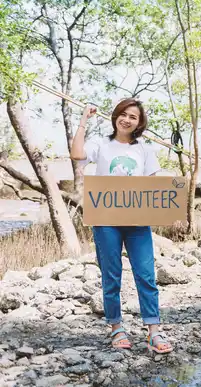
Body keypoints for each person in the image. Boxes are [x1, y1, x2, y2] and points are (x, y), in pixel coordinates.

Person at [70, 99, 173, 354]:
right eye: (123, 114)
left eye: (133, 117)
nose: (127, 120)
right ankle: (116, 327)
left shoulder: (145, 150)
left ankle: (154, 330)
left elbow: (152, 186)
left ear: (140, 123)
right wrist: (84, 119)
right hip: (106, 221)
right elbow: (76, 154)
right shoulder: (101, 144)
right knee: (111, 274)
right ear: (116, 116)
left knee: (146, 275)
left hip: (138, 223)